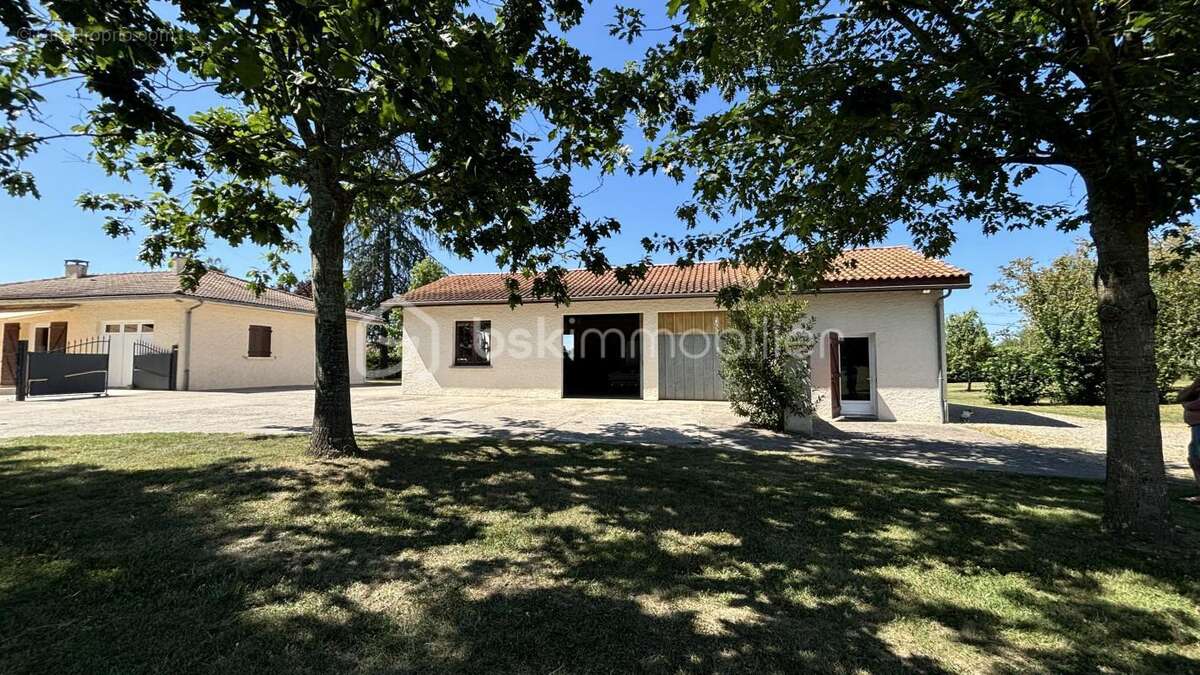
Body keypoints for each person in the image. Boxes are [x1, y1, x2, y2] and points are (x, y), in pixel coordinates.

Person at [1181, 377, 1200, 489]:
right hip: (1195, 428)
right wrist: (1194, 388)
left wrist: (1187, 405)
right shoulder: (1195, 391)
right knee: (1194, 459)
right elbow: (1182, 396)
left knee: (1196, 458)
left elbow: (1192, 405)